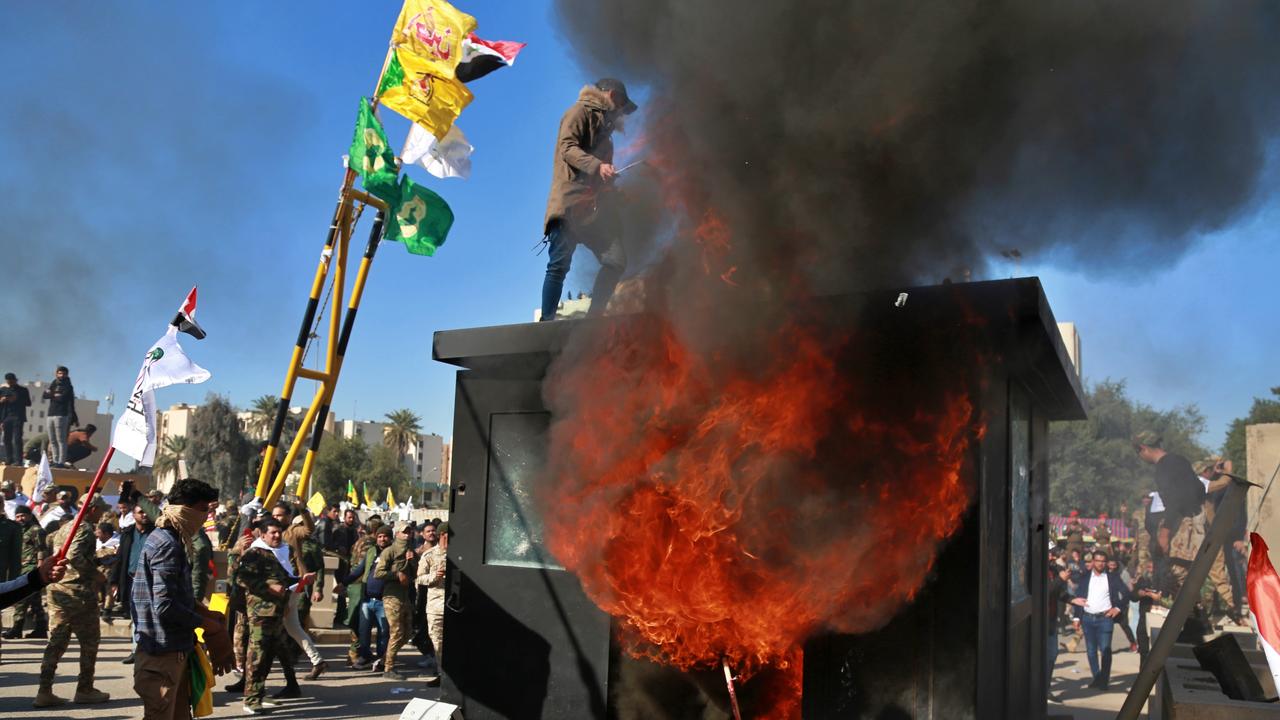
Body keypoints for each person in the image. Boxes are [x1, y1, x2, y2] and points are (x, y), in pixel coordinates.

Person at [538, 78, 638, 322]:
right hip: (570, 205)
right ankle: (546, 322)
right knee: (558, 266)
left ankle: (594, 319)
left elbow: (601, 178)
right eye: (623, 106)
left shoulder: (607, 136)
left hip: (593, 210)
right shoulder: (579, 112)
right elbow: (567, 148)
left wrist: (616, 192)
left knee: (616, 260)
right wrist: (598, 165)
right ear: (613, 96)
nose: (623, 114)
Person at [131, 478, 224, 720]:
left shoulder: (171, 540)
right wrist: (209, 627)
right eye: (203, 510)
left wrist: (207, 615)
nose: (205, 517)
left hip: (173, 649)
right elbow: (166, 606)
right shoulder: (167, 545)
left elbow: (177, 597)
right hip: (162, 653)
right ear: (186, 509)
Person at [36, 496, 111, 708]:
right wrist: (96, 574)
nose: (102, 514)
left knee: (56, 642)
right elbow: (75, 555)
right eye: (100, 510)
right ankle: (85, 689)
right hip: (78, 593)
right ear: (93, 509)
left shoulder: (66, 526)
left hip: (57, 590)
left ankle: (44, 690)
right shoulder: (85, 528)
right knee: (89, 643)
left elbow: (50, 542)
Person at [238, 517, 315, 714]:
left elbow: (283, 578)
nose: (277, 535)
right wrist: (268, 588)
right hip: (260, 613)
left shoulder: (275, 554)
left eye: (279, 532)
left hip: (277, 613)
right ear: (262, 534)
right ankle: (251, 699)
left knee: (270, 656)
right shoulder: (254, 554)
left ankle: (260, 693)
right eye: (272, 532)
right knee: (257, 657)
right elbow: (241, 578)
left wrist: (301, 579)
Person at [1134, 431, 1206, 595]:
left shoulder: (1164, 467)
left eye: (1138, 453)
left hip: (1180, 528)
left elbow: (1175, 500)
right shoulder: (1180, 460)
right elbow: (1200, 490)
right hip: (1196, 525)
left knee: (1175, 577)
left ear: (1143, 448)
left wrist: (1165, 533)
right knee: (1191, 578)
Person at [1070, 549, 1131, 691]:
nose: (1100, 564)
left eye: (1103, 561)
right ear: (1093, 562)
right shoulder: (1085, 577)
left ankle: (1104, 680)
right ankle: (1097, 677)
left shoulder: (1112, 578)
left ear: (1106, 563)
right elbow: (1079, 596)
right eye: (1097, 561)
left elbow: (1126, 593)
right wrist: (1077, 617)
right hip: (1087, 618)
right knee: (1091, 651)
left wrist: (1117, 608)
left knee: (1106, 650)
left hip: (1105, 619)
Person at [345, 524, 393, 670]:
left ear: (390, 538)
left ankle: (381, 660)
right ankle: (365, 657)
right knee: (363, 631)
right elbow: (359, 570)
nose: (382, 539)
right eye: (379, 536)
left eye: (385, 536)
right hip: (366, 599)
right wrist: (343, 582)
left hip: (383, 600)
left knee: (383, 632)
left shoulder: (393, 553)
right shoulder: (371, 551)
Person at [375, 522, 416, 680]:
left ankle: (385, 660)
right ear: (397, 534)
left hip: (405, 597)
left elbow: (415, 573)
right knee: (397, 632)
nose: (407, 535)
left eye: (409, 532)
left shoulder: (410, 551)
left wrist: (412, 562)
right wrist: (397, 575)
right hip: (392, 597)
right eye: (404, 532)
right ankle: (389, 668)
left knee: (407, 633)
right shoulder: (389, 551)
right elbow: (378, 573)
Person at [5, 505, 48, 638]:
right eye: (17, 516)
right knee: (34, 600)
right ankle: (41, 628)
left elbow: (42, 549)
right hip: (20, 568)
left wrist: (39, 568)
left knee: (21, 598)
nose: (20, 519)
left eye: (23, 516)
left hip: (31, 567)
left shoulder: (36, 530)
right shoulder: (17, 530)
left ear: (29, 516)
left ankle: (17, 628)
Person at [416, 522, 447, 682]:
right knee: (437, 641)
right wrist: (434, 576)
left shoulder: (460, 555)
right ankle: (442, 674)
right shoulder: (429, 555)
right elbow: (420, 578)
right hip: (435, 606)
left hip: (453, 605)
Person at [1131, 559, 1164, 668]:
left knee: (1159, 650)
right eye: (1149, 567)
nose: (1151, 570)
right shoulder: (1142, 580)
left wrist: (1159, 598)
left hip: (1160, 618)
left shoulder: (1164, 580)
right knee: (1144, 650)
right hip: (1144, 617)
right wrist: (1142, 593)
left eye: (1153, 568)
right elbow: (1133, 597)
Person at [42, 366, 75, 467]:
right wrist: (55, 394)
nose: (61, 375)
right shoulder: (53, 383)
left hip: (61, 415)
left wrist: (53, 394)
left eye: (63, 374)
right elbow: (44, 395)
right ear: (56, 373)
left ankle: (61, 461)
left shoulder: (68, 386)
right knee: (52, 440)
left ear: (66, 375)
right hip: (50, 414)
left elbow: (62, 398)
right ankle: (55, 461)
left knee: (61, 439)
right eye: (59, 373)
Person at [0, 373, 32, 466]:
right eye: (8, 381)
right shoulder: (3, 390)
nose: (10, 383)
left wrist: (16, 399)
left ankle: (18, 460)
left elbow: (28, 403)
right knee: (6, 439)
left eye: (11, 381)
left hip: (18, 417)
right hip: (6, 417)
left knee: (17, 439)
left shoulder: (22, 390)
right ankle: (9, 459)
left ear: (15, 380)